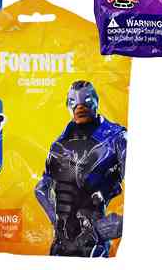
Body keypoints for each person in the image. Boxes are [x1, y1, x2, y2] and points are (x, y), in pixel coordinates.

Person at [35, 81, 126, 257]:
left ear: (96, 101)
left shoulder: (116, 138)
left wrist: (106, 228)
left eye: (87, 100)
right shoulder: (59, 144)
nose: (80, 106)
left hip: (92, 241)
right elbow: (41, 188)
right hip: (62, 242)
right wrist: (56, 222)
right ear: (67, 105)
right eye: (74, 102)